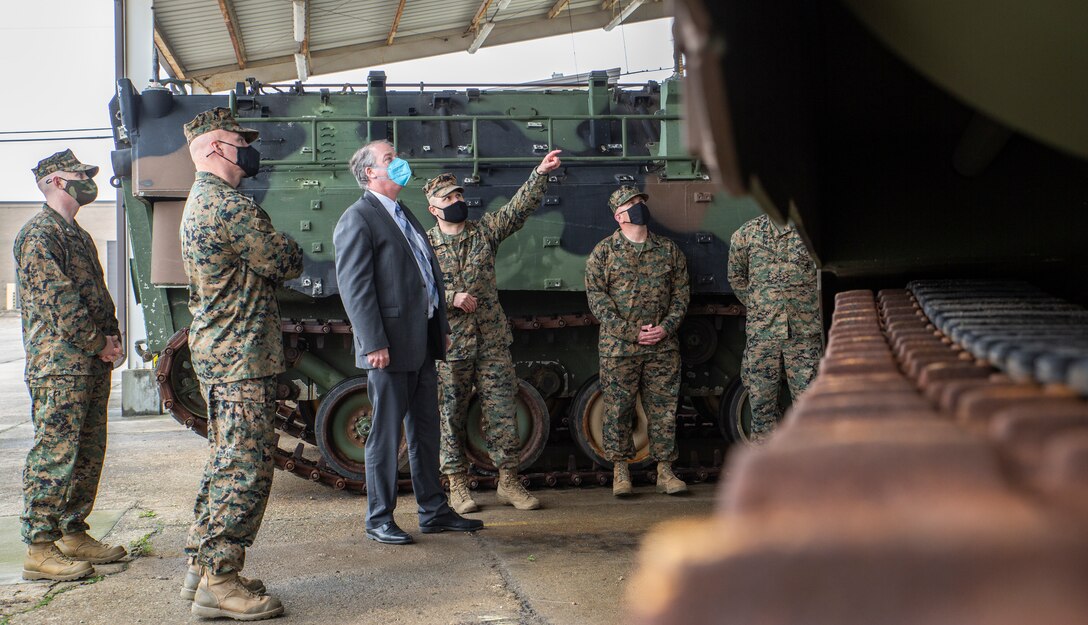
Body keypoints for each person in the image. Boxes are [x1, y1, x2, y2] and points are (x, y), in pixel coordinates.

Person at [179, 107, 303, 620]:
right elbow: (285, 260)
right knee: (245, 468)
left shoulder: (201, 201)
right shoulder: (229, 207)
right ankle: (219, 582)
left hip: (224, 351)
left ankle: (201, 566)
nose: (249, 149)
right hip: (241, 356)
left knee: (224, 461)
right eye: (238, 141)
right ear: (213, 148)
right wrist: (289, 247)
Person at [333, 139, 483, 545]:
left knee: (426, 431)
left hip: (421, 342)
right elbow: (355, 288)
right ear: (370, 173)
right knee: (386, 435)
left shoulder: (403, 213)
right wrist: (372, 342)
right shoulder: (358, 218)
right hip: (389, 348)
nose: (399, 163)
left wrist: (442, 329)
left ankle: (433, 511)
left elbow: (424, 277)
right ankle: (379, 517)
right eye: (389, 159)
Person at [423, 149, 563, 514]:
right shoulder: (422, 244)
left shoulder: (483, 232)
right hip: (450, 342)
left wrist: (540, 172)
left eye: (458, 195)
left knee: (501, 410)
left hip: (491, 340)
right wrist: (450, 297)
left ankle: (509, 482)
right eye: (447, 198)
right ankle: (457, 485)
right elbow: (410, 287)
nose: (456, 201)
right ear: (433, 209)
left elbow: (518, 209)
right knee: (450, 413)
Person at [16, 149, 127, 581]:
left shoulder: (74, 233)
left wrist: (111, 337)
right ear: (56, 182)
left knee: (87, 451)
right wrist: (98, 342)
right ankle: (40, 547)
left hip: (88, 363)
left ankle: (72, 531)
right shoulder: (39, 235)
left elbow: (94, 294)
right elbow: (61, 302)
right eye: (79, 175)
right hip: (59, 365)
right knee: (55, 452)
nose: (87, 180)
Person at [585, 185, 690, 497]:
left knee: (664, 408)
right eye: (631, 204)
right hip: (620, 349)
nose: (639, 206)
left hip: (662, 346)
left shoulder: (669, 251)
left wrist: (667, 327)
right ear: (619, 216)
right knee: (618, 409)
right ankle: (621, 471)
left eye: (641, 201)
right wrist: (631, 331)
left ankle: (665, 470)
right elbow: (597, 299)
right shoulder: (604, 253)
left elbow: (682, 295)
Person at [727, 213, 822, 442]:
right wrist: (761, 306)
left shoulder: (811, 232)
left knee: (810, 405)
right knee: (761, 406)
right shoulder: (747, 233)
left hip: (803, 332)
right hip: (763, 334)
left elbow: (824, 274)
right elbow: (736, 277)